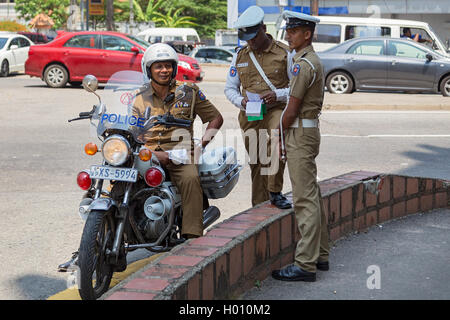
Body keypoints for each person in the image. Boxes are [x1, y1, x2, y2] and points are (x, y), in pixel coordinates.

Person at [58, 43, 223, 272]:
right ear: (149, 69)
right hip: (146, 152)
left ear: (174, 69)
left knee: (189, 179)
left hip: (178, 154)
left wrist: (201, 144)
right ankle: (97, 244)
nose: (164, 70)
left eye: (168, 66)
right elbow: (129, 126)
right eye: (159, 66)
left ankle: (192, 239)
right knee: (118, 182)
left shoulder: (189, 91)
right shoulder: (138, 96)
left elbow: (215, 118)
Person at [271, 11, 330, 282]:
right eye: (288, 30)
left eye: (293, 31)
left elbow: (291, 109)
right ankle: (320, 254)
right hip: (308, 131)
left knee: (304, 199)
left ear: (307, 34)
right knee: (312, 194)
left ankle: (305, 264)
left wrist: (277, 132)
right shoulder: (307, 60)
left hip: (300, 133)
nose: (288, 35)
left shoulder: (304, 64)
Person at [224, 5, 292, 209]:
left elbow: (297, 89)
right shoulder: (240, 56)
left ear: (263, 28)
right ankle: (260, 206)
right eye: (247, 39)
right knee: (257, 162)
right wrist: (241, 102)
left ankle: (275, 192)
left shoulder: (284, 53)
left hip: (276, 109)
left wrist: (277, 94)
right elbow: (230, 89)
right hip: (250, 114)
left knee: (276, 143)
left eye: (254, 36)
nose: (251, 42)